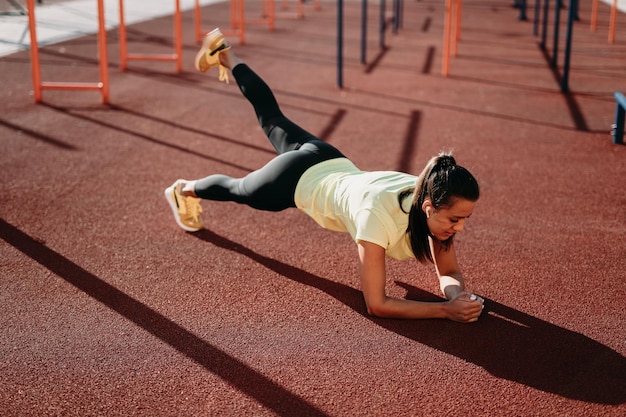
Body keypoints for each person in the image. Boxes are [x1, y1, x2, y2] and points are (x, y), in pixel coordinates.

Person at [165, 29, 485, 323]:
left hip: (327, 157)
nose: (460, 227)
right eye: (455, 220)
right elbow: (376, 304)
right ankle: (184, 189)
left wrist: (459, 296)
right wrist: (445, 311)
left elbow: (450, 270)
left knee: (272, 117)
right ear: (429, 206)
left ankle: (225, 54)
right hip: (292, 181)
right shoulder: (376, 216)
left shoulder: (428, 191)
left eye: (463, 218)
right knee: (239, 189)